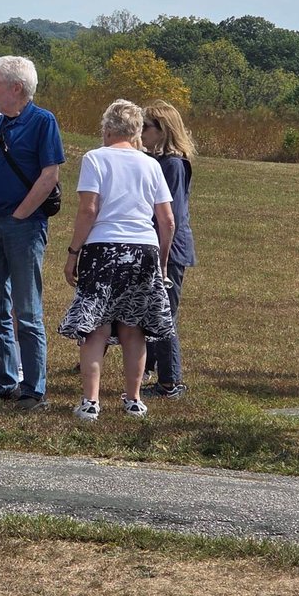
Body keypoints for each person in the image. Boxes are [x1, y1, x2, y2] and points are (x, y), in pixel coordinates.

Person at [60, 100, 175, 421]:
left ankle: (90, 402)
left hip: (103, 249)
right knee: (134, 328)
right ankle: (134, 400)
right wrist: (162, 263)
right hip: (144, 250)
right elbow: (167, 221)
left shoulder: (95, 158)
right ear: (136, 131)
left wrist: (73, 252)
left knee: (96, 328)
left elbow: (89, 210)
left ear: (108, 128)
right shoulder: (151, 165)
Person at [0, 55, 65, 412]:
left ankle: (33, 389)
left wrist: (19, 214)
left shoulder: (43, 121)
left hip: (24, 227)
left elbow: (50, 175)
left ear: (16, 87)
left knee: (26, 310)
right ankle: (4, 382)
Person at [140, 100, 197, 400]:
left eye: (146, 127)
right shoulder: (157, 161)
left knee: (164, 315)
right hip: (157, 245)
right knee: (151, 311)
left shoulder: (173, 164)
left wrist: (161, 256)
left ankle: (170, 383)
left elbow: (168, 216)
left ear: (163, 130)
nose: (141, 132)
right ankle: (149, 367)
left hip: (170, 250)